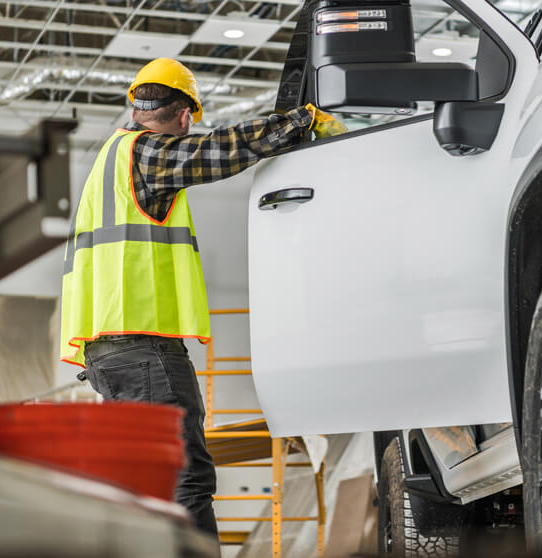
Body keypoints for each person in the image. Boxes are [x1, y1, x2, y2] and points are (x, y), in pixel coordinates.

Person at [60, 57, 344, 539]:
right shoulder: (145, 154)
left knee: (147, 483)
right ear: (185, 112)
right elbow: (217, 151)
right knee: (184, 478)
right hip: (143, 346)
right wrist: (297, 123)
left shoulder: (110, 159)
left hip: (105, 351)